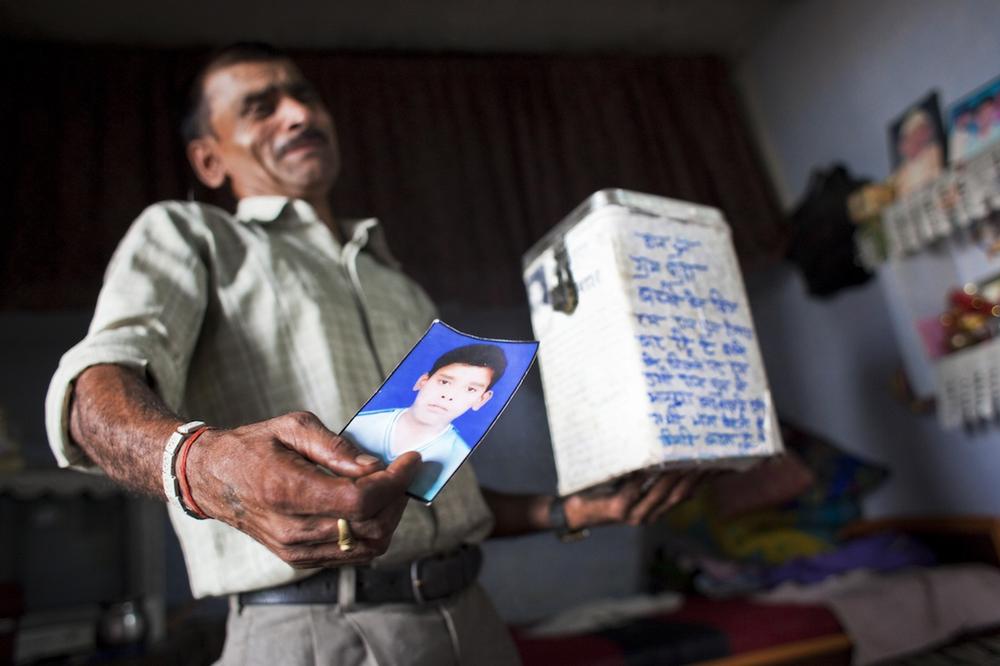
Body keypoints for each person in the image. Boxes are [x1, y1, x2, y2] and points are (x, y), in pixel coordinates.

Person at [44, 42, 701, 665]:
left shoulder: (396, 283)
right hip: (312, 634)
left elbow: (429, 494)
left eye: (304, 96)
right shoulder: (191, 235)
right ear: (210, 161)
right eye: (260, 107)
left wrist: (571, 510)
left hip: (474, 617)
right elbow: (88, 396)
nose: (298, 113)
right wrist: (201, 464)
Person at [345, 343, 508, 501]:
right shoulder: (358, 425)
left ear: (481, 400)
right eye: (444, 382)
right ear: (423, 381)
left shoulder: (459, 457)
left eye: (470, 389)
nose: (449, 396)